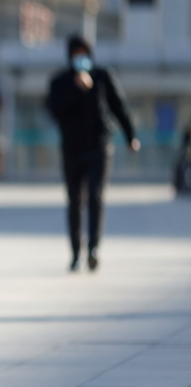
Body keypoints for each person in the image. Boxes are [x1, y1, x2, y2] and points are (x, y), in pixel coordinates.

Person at [46, 35, 139, 272]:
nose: (81, 58)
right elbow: (54, 111)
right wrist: (77, 91)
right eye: (76, 54)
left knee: (95, 197)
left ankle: (94, 248)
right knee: (75, 200)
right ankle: (76, 252)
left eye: (84, 53)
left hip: (99, 146)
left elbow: (118, 106)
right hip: (72, 149)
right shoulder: (61, 81)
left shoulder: (102, 76)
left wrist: (130, 136)